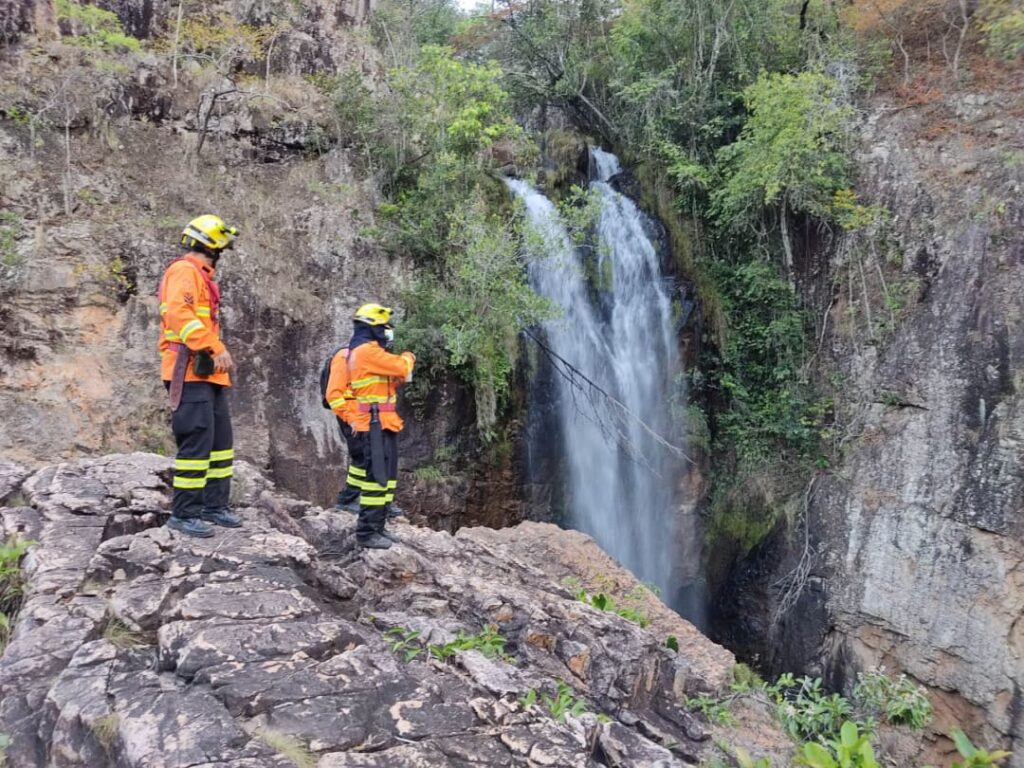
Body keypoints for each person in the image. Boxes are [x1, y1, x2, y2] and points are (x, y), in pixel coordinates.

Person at [158, 214, 242, 538]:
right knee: (196, 441)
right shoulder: (184, 271)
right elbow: (180, 315)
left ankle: (214, 506)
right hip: (189, 370)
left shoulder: (203, 277)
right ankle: (184, 513)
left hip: (207, 374)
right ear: (211, 245)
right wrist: (213, 345)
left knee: (220, 443)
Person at [346, 303, 415, 549]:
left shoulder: (369, 352)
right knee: (375, 478)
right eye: (383, 328)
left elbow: (385, 385)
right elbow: (403, 366)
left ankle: (378, 526)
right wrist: (409, 356)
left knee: (385, 477)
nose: (387, 333)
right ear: (372, 328)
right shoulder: (367, 351)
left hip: (384, 422)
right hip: (373, 425)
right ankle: (366, 532)